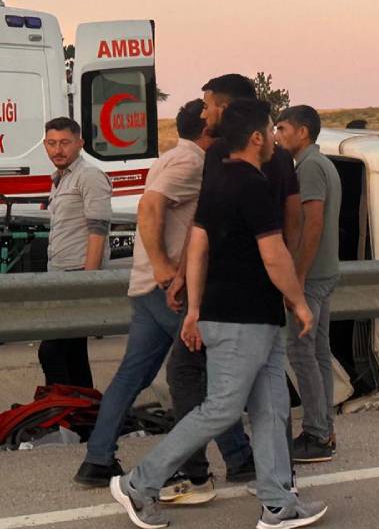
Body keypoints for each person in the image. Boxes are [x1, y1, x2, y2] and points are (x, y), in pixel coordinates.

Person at [110, 99, 328, 528]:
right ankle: (139, 484)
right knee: (223, 408)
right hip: (240, 317)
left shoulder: (220, 180)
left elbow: (199, 245)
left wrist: (194, 309)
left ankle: (277, 503)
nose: (273, 138)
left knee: (271, 408)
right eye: (270, 130)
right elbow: (274, 253)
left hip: (250, 316)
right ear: (256, 137)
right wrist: (300, 302)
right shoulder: (251, 184)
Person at [74, 101, 252, 499]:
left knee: (132, 376)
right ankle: (238, 458)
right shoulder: (192, 164)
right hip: (166, 287)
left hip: (146, 288)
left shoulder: (170, 157)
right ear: (207, 135)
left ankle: (97, 460)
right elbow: (149, 206)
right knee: (205, 372)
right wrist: (163, 266)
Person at [275, 106, 343, 462]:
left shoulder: (311, 167)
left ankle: (316, 434)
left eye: (282, 128)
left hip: (312, 276)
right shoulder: (321, 164)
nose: (277, 135)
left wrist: (296, 278)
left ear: (303, 132)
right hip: (323, 273)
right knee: (317, 353)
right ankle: (324, 429)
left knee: (302, 353)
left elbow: (312, 222)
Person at [40, 117, 111, 389]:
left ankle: (64, 415)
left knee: (51, 351)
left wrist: (87, 282)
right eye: (52, 143)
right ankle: (81, 418)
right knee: (73, 354)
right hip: (58, 276)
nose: (58, 150)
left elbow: (98, 229)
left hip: (77, 276)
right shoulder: (59, 178)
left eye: (65, 143)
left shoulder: (89, 176)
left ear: (80, 143)